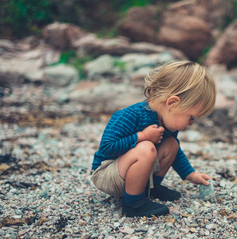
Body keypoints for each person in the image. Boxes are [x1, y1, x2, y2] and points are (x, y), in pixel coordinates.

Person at [90, 61, 216, 217]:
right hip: (106, 173)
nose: (190, 124)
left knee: (171, 144)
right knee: (146, 148)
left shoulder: (166, 122)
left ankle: (150, 189)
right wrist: (142, 136)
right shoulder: (129, 115)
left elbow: (175, 153)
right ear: (172, 103)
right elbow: (107, 148)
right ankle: (133, 204)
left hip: (127, 172)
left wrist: (190, 174)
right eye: (191, 118)